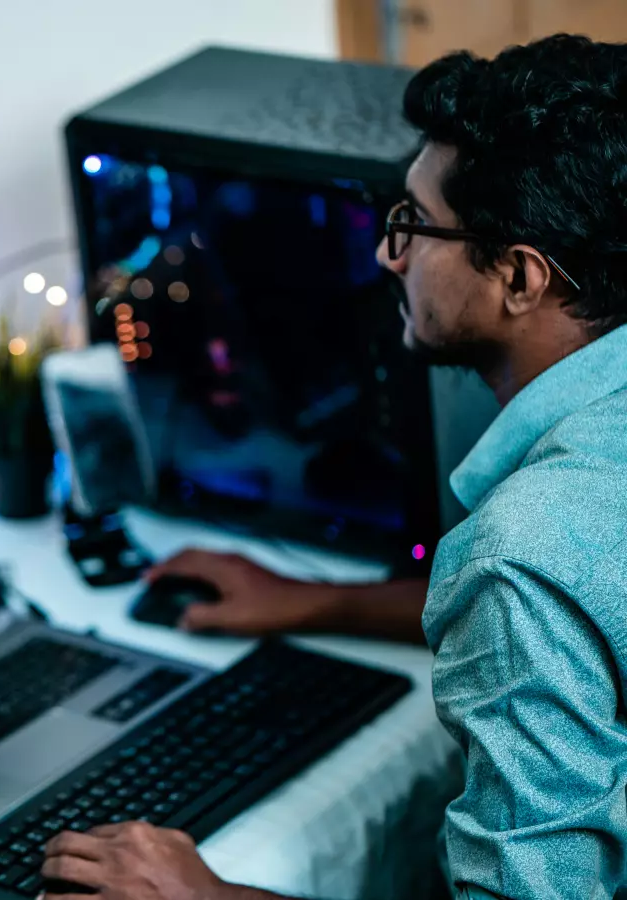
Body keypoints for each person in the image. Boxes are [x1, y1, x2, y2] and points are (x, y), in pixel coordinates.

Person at [40, 34, 627, 900]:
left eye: (414, 225)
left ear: (518, 277)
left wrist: (206, 898)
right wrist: (309, 599)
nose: (389, 256)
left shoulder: (522, 552)